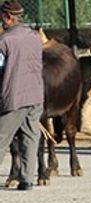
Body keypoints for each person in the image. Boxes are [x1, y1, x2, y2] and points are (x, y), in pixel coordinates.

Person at [0, 0, 42, 191]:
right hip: (35, 94)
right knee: (30, 137)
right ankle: (27, 179)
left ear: (8, 17)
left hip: (14, 96)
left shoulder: (4, 41)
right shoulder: (34, 36)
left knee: (1, 137)